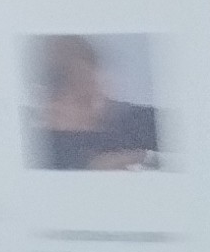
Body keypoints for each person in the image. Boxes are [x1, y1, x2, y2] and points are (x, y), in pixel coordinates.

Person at [30, 36, 160, 170]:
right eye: (82, 101)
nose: (97, 108)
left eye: (98, 95)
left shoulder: (140, 122)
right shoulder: (35, 151)